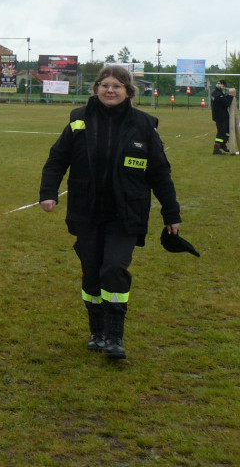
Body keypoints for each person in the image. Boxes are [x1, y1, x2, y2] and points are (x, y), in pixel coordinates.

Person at [39, 64, 183, 361]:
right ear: (96, 89)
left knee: (114, 268)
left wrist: (171, 214)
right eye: (105, 85)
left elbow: (160, 174)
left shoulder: (144, 125)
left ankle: (115, 335)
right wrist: (48, 193)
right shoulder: (79, 121)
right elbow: (57, 159)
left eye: (117, 86)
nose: (110, 90)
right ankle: (97, 331)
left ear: (128, 92)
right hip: (86, 212)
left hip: (125, 214)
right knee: (91, 271)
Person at [210, 79, 234, 155]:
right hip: (221, 117)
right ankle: (216, 149)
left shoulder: (215, 93)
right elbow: (226, 103)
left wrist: (227, 96)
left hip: (219, 116)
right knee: (221, 133)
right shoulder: (219, 95)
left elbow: (222, 101)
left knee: (227, 131)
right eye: (224, 86)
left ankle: (223, 144)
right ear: (222, 85)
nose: (224, 88)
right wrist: (231, 97)